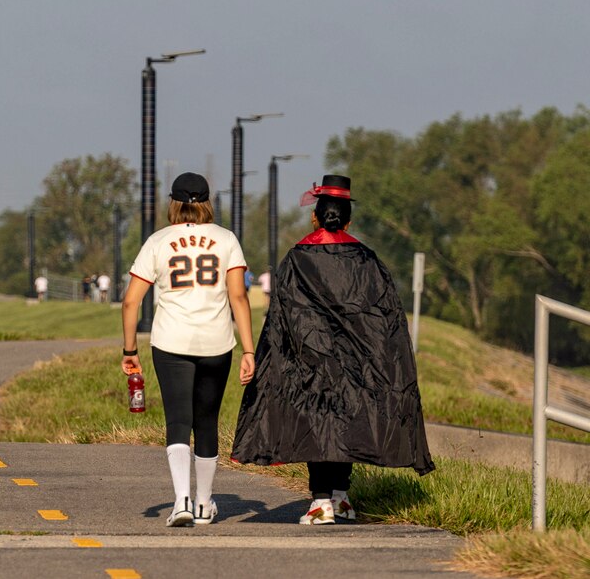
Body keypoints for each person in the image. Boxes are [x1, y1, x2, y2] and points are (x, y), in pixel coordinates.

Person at [230, 175, 433, 524]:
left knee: (317, 424)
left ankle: (321, 500)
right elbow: (385, 315)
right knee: (347, 421)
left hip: (310, 357)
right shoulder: (367, 260)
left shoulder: (296, 258)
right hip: (357, 360)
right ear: (349, 220)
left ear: (315, 217)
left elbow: (282, 314)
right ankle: (340, 497)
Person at [121, 172, 256, 527]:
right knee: (207, 422)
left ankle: (180, 501)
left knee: (178, 420)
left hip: (171, 341)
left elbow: (130, 302)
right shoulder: (226, 239)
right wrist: (249, 350)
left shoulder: (158, 241)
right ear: (208, 202)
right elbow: (238, 296)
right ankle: (204, 503)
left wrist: (129, 350)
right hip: (217, 342)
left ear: (173, 202)